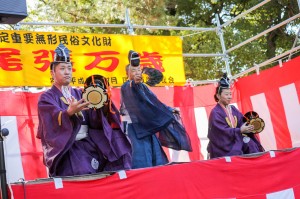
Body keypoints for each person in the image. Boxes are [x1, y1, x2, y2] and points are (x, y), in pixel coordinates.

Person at [37, 43, 132, 177]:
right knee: (82, 171)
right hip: (68, 149)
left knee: (118, 153)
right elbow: (50, 124)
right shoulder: (47, 97)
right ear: (52, 72)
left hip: (89, 145)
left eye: (69, 68)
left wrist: (100, 106)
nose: (67, 72)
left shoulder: (79, 93)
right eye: (62, 68)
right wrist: (68, 113)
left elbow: (94, 120)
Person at [120, 50, 192, 169]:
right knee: (141, 162)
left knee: (157, 161)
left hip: (148, 127)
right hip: (135, 129)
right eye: (133, 70)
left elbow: (154, 103)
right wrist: (134, 82)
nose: (137, 72)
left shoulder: (144, 87)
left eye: (139, 70)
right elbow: (133, 86)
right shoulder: (127, 86)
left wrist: (169, 110)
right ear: (127, 73)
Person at [207, 73, 264, 159]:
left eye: (230, 94)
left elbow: (241, 122)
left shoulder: (233, 109)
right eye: (226, 94)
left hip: (236, 138)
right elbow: (221, 132)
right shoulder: (215, 112)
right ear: (218, 96)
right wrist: (239, 130)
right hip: (223, 145)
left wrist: (249, 126)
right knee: (236, 151)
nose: (229, 97)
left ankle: (256, 168)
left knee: (251, 144)